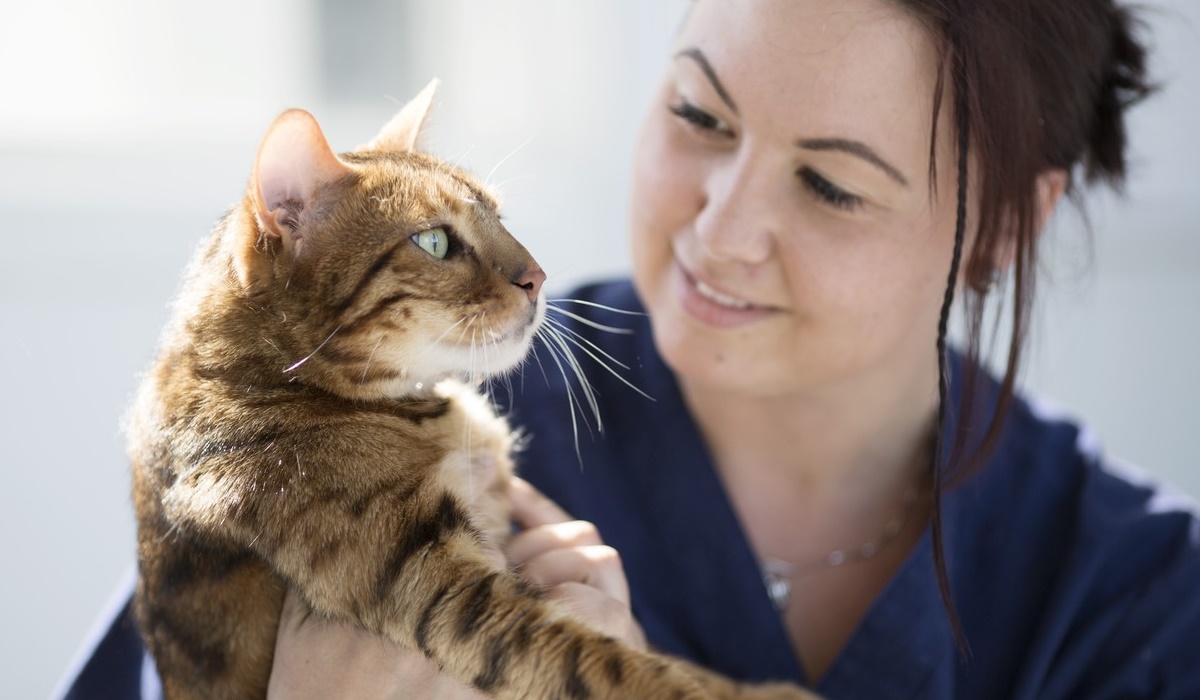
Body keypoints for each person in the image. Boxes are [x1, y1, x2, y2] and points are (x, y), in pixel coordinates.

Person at [60, 0, 1200, 698]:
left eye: (831, 184)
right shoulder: (335, 439)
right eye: (700, 117)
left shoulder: (1137, 604)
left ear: (1004, 221)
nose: (718, 230)